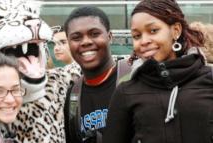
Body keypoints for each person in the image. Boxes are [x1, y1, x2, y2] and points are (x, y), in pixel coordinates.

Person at [104, 0, 213, 143]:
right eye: (137, 36)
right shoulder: (126, 92)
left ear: (176, 30)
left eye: (153, 31)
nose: (144, 41)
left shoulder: (209, 81)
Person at [63, 6, 131, 143]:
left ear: (109, 37)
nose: (86, 41)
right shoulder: (72, 97)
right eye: (76, 37)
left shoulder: (134, 77)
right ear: (69, 43)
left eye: (94, 34)